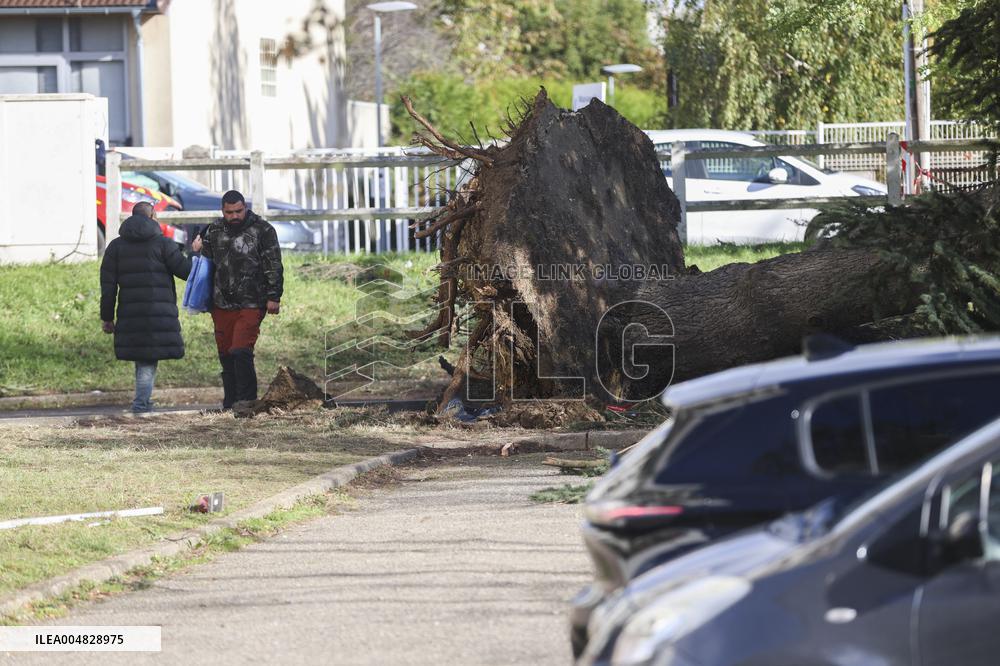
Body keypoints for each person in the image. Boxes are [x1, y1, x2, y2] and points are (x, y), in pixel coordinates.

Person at [192, 190, 283, 409]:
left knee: (241, 349)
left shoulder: (263, 230)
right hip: (221, 302)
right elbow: (205, 266)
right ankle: (230, 402)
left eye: (238, 211)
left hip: (253, 300)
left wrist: (274, 296)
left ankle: (247, 401)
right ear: (222, 211)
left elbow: (273, 264)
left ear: (245, 208)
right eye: (229, 212)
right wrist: (197, 251)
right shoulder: (214, 230)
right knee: (225, 353)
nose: (234, 216)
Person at [100, 201, 191, 413]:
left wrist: (107, 317)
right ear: (152, 217)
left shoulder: (115, 247)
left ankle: (144, 402)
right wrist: (195, 253)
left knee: (144, 359)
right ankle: (141, 406)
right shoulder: (164, 244)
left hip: (130, 313)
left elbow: (108, 287)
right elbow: (186, 272)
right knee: (147, 361)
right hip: (159, 313)